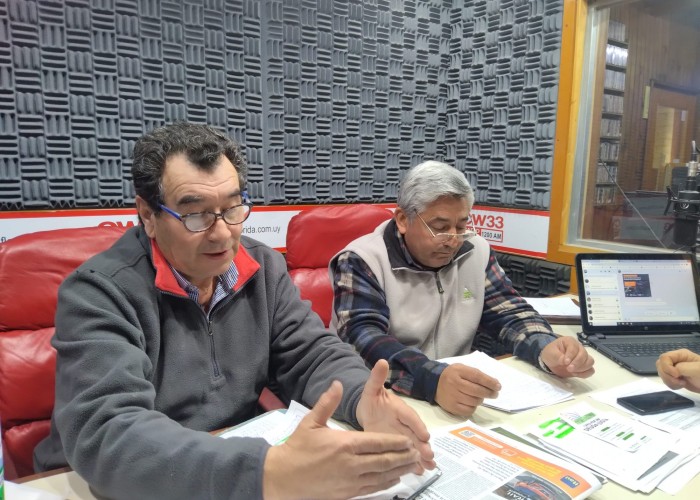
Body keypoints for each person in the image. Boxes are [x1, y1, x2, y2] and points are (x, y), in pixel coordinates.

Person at [34, 122, 434, 499]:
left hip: (230, 463)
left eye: (233, 207)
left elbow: (310, 354)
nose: (223, 233)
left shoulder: (261, 268)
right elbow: (108, 431)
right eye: (196, 215)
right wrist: (265, 472)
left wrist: (363, 400)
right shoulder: (100, 291)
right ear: (147, 215)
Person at [330, 161, 595, 417]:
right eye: (440, 228)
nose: (453, 240)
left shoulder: (476, 250)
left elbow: (508, 310)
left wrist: (545, 347)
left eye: (461, 225)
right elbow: (363, 339)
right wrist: (432, 379)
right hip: (381, 398)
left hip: (455, 395)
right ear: (402, 219)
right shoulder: (361, 259)